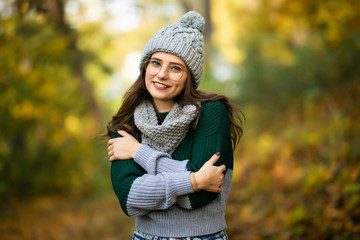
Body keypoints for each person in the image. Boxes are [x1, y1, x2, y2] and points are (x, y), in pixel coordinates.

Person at [105, 11, 243, 240]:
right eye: (156, 63)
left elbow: (199, 198)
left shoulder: (210, 112)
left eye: (175, 68)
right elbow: (130, 199)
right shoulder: (124, 125)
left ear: (190, 76)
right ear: (145, 66)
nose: (161, 74)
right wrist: (194, 180)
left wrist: (139, 152)